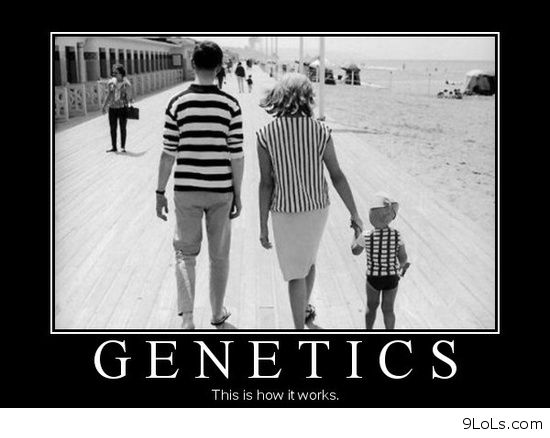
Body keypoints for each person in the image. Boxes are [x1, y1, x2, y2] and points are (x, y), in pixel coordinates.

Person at [256, 73, 363, 329]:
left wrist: (262, 225)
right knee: (308, 260)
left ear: (280, 97)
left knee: (295, 272)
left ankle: (298, 327)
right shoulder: (321, 131)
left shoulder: (265, 134)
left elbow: (266, 184)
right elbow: (337, 175)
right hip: (316, 209)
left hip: (284, 211)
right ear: (307, 98)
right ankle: (303, 310)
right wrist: (354, 212)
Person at [155, 41, 244, 329]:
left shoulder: (177, 104)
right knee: (219, 256)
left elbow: (168, 154)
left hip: (187, 191)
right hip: (221, 190)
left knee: (185, 254)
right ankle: (217, 314)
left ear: (192, 64)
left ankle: (188, 319)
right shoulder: (231, 105)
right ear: (219, 67)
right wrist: (238, 194)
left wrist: (159, 191)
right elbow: (237, 155)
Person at [351, 192, 410, 330]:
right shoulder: (396, 234)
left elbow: (355, 251)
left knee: (371, 307)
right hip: (391, 277)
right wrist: (401, 266)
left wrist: (356, 233)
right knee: (388, 309)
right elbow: (403, 258)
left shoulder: (366, 235)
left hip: (374, 278)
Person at [102, 64, 133, 153]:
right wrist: (104, 106)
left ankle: (123, 147)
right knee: (113, 128)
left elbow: (129, 97)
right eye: (113, 73)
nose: (114, 74)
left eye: (116, 73)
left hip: (122, 108)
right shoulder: (111, 83)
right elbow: (109, 95)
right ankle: (114, 147)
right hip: (112, 108)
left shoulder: (126, 84)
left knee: (123, 127)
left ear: (121, 73)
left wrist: (129, 99)